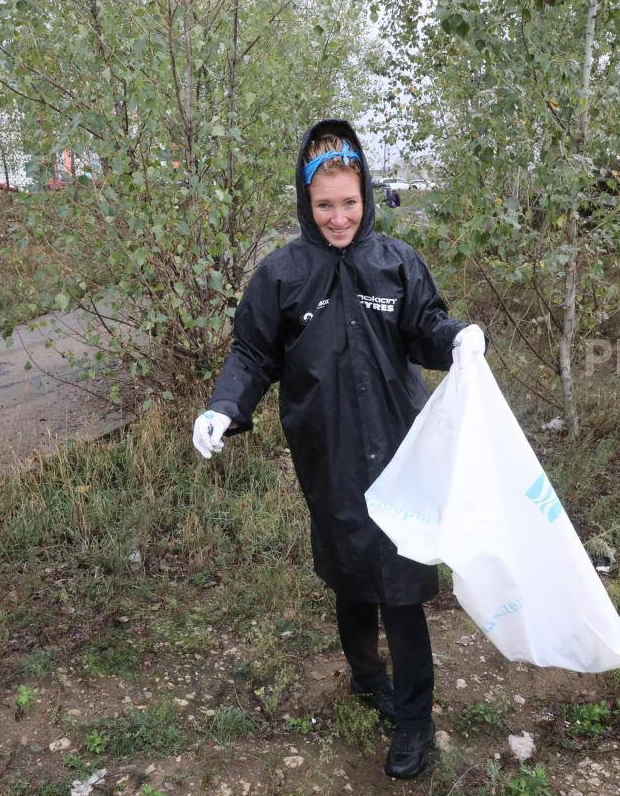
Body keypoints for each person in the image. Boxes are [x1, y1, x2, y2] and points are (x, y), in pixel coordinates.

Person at [191, 119, 485, 780]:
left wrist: (457, 336)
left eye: (348, 202)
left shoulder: (397, 261)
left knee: (403, 587)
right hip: (328, 453)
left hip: (402, 451)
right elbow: (252, 352)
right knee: (351, 571)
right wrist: (224, 404)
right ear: (305, 201)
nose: (338, 217)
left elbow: (426, 326)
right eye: (324, 205)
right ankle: (364, 674)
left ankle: (414, 720)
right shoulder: (283, 274)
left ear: (367, 195)